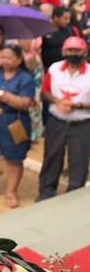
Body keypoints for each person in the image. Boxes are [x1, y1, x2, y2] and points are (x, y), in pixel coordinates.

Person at [0, 44, 36, 208]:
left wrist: (2, 95)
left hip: (13, 122)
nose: (3, 60)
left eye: (8, 57)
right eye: (2, 56)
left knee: (14, 159)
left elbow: (25, 103)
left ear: (18, 60)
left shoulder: (26, 78)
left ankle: (11, 192)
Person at [38, 36, 90, 201]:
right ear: (63, 51)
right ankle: (46, 194)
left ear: (85, 52)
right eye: (70, 50)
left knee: (79, 162)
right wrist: (57, 101)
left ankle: (72, 200)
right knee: (51, 158)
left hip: (82, 124)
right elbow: (45, 91)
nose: (73, 53)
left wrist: (77, 105)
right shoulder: (54, 68)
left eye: (77, 50)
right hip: (56, 121)